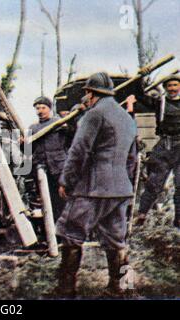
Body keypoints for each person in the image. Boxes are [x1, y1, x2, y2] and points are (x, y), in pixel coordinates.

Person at [56, 72, 137, 297]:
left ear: (90, 94)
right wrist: (122, 182)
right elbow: (132, 158)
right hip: (120, 189)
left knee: (71, 234)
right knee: (116, 241)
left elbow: (79, 150)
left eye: (87, 95)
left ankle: (66, 289)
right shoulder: (127, 118)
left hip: (92, 189)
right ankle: (122, 288)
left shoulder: (94, 115)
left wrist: (66, 180)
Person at [127, 75, 180, 228]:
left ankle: (179, 219)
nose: (172, 88)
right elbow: (140, 95)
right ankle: (142, 215)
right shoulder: (160, 103)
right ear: (165, 88)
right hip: (164, 145)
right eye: (169, 85)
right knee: (153, 182)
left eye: (175, 85)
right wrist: (141, 76)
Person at [25, 96, 68, 221]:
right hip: (42, 169)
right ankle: (52, 231)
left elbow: (70, 140)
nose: (40, 111)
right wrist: (23, 143)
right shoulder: (32, 128)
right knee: (47, 200)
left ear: (49, 109)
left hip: (59, 168)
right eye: (37, 108)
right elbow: (28, 151)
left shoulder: (59, 123)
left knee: (63, 198)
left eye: (43, 108)